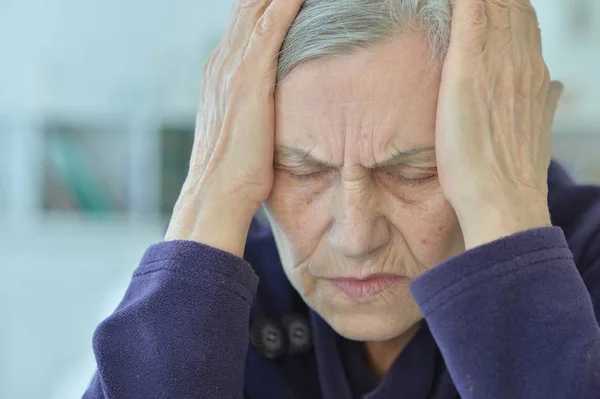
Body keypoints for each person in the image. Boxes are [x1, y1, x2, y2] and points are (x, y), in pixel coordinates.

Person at [83, 0, 600, 398]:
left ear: (520, 136)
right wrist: (207, 193)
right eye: (301, 171)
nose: (355, 240)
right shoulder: (214, 296)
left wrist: (506, 215)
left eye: (418, 172)